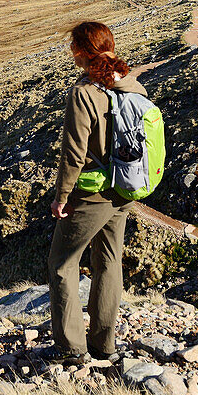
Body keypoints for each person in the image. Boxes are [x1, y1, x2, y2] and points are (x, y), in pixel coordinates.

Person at [42, 20, 145, 365]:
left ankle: (71, 348)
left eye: (72, 46)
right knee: (109, 262)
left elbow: (74, 153)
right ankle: (105, 344)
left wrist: (61, 196)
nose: (70, 52)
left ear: (81, 51)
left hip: (93, 194)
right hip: (124, 190)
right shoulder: (132, 85)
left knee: (61, 264)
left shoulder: (84, 92)